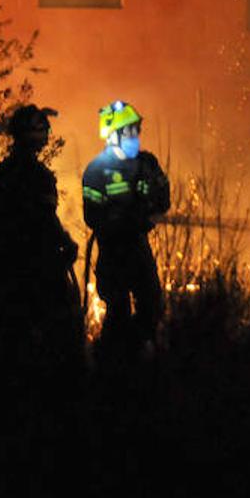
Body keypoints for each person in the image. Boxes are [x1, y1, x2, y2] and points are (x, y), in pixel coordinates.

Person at [0, 104, 82, 384]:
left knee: (11, 338)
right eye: (43, 129)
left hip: (4, 268)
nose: (47, 134)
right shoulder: (38, 176)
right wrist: (66, 245)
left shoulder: (0, 175)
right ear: (32, 133)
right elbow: (45, 219)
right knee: (58, 332)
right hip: (38, 268)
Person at [82, 100, 170, 365]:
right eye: (129, 131)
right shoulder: (96, 171)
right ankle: (109, 364)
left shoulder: (147, 163)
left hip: (139, 249)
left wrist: (151, 210)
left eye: (136, 130)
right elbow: (92, 217)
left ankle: (138, 357)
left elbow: (163, 198)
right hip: (112, 252)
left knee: (152, 305)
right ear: (113, 135)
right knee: (117, 313)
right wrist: (121, 219)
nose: (135, 137)